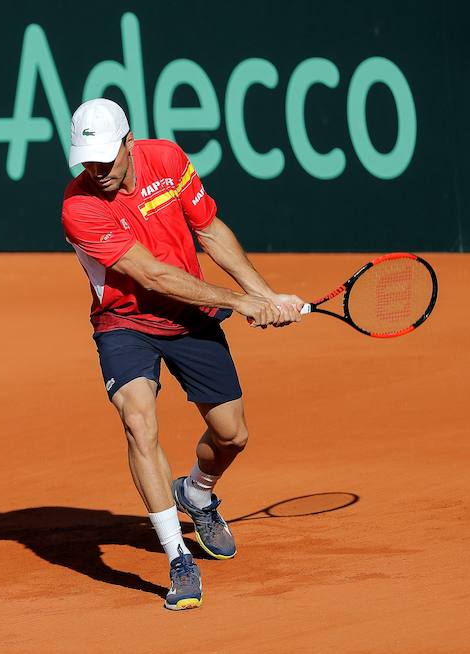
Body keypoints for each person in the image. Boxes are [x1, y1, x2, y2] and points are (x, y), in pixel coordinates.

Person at [61, 98, 304, 611]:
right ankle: (177, 557)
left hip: (190, 318)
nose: (96, 170)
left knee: (232, 434)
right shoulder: (79, 207)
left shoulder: (168, 160)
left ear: (130, 144)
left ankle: (196, 491)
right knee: (138, 420)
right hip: (125, 323)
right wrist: (242, 302)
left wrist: (264, 296)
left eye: (106, 157)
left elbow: (210, 231)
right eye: (87, 160)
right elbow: (152, 275)